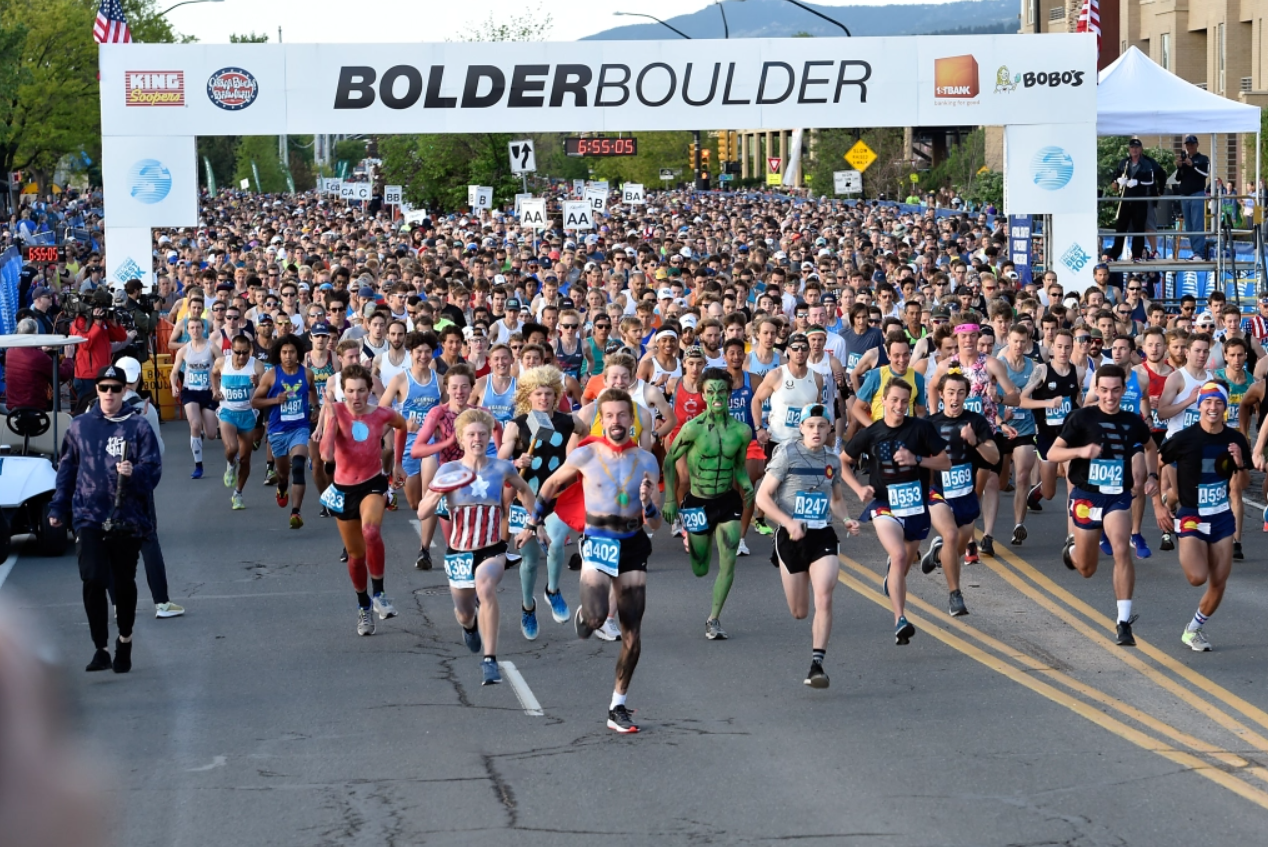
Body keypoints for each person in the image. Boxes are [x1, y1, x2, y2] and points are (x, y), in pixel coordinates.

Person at [522, 388, 662, 733]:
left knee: (632, 631)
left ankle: (618, 705)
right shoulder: (586, 455)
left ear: (632, 419)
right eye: (609, 416)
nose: (616, 422)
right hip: (598, 542)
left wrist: (648, 504)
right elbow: (552, 485)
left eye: (622, 415)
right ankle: (588, 615)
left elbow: (656, 522)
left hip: (632, 543)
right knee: (598, 617)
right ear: (602, 419)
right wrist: (532, 521)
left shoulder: (647, 460)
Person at [49, 364, 163, 674]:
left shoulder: (138, 427)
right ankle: (100, 647)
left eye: (115, 387)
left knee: (123, 584)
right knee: (93, 578)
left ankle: (124, 641)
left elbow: (153, 470)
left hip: (127, 517)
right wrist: (58, 507)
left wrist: (134, 472)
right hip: (88, 515)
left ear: (125, 390)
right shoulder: (79, 426)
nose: (109, 393)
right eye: (103, 387)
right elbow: (67, 469)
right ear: (96, 390)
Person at [420, 409, 535, 686]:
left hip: (492, 548)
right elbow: (423, 512)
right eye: (471, 434)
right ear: (461, 439)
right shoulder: (448, 471)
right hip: (459, 551)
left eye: (483, 434)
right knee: (464, 611)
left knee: (485, 587)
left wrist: (533, 523)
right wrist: (435, 497)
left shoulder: (502, 467)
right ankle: (469, 626)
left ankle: (490, 660)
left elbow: (524, 490)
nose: (477, 439)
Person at [1048, 365, 1157, 647]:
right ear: (1095, 388)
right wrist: (1081, 451)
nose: (1110, 396)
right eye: (1104, 390)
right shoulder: (1082, 417)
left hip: (1117, 496)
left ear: (1123, 390)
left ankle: (1123, 622)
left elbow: (1150, 447)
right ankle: (1073, 550)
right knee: (1086, 568)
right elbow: (1053, 452)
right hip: (1086, 497)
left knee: (1121, 548)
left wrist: (1152, 475)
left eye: (1116, 390)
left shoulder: (1132, 421)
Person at [755, 403, 860, 688]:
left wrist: (847, 519)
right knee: (800, 611)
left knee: (824, 595)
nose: (816, 430)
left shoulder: (832, 460)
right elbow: (762, 498)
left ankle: (817, 664)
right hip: (791, 537)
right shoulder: (787, 454)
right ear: (801, 428)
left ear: (829, 430)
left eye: (821, 426)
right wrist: (787, 522)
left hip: (822, 534)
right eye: (810, 425)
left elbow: (836, 500)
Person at [841, 379, 950, 645]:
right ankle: (900, 619)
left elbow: (946, 462)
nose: (900, 406)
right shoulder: (872, 433)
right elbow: (843, 462)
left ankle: (893, 576)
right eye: (895, 400)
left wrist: (918, 460)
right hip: (884, 505)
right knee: (899, 554)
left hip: (915, 506)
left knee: (903, 565)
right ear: (884, 401)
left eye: (905, 401)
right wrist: (857, 489)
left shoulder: (922, 429)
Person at [663, 368, 755, 640]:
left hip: (727, 501)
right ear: (703, 394)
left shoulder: (742, 431)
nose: (716, 396)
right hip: (696, 502)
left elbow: (738, 467)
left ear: (729, 394)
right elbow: (669, 461)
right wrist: (670, 499)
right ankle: (695, 543)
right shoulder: (693, 429)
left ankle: (713, 619)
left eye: (722, 391)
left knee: (728, 562)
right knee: (700, 568)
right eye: (710, 391)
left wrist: (746, 483)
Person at [319, 364, 410, 636]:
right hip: (344, 489)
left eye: (361, 391)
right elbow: (326, 455)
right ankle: (363, 605)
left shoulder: (381, 414)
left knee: (371, 531)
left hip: (373, 482)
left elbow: (402, 426)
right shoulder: (335, 411)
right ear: (342, 392)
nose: (355, 397)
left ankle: (380, 593)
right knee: (356, 556)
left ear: (370, 391)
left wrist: (398, 464)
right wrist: (332, 418)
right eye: (349, 391)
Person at [1164, 382, 1249, 652]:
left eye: (1218, 403)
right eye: (1208, 402)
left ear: (1225, 407)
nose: (1213, 407)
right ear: (1200, 405)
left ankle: (1193, 629)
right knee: (1197, 577)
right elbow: (1160, 460)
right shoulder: (1185, 438)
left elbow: (1243, 482)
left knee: (1219, 581)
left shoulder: (1235, 440)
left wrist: (1239, 464)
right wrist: (1162, 501)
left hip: (1221, 515)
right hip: (1191, 515)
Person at [499, 366, 575, 640]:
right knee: (529, 562)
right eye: (538, 394)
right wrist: (515, 461)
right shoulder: (518, 424)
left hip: (556, 498)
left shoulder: (568, 422)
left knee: (554, 544)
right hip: (526, 500)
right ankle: (527, 606)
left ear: (556, 396)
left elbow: (588, 431)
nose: (544, 398)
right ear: (528, 397)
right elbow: (501, 456)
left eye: (549, 393)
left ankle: (553, 590)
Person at [921, 370, 998, 617]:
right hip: (938, 493)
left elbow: (994, 457)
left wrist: (974, 441)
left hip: (965, 494)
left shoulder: (975, 421)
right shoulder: (930, 424)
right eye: (950, 393)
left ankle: (938, 553)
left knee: (954, 548)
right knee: (951, 534)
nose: (955, 398)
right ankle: (955, 595)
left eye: (961, 393)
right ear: (941, 394)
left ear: (967, 395)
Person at [114, 356, 183, 619]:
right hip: (138, 479)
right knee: (148, 538)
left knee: (113, 541)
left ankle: (119, 604)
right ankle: (162, 603)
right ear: (139, 378)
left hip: (108, 481)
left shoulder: (96, 406)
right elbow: (158, 448)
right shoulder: (145, 409)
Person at [251, 334, 319, 529]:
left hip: (300, 427)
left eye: (292, 352)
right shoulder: (271, 375)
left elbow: (312, 390)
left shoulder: (307, 374)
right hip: (278, 430)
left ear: (298, 353)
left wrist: (316, 408)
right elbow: (255, 401)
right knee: (283, 475)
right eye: (284, 352)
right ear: (279, 354)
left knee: (298, 466)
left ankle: (295, 512)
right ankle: (282, 489)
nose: (288, 356)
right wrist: (274, 400)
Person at [212, 334, 265, 510]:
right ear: (231, 350)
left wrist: (257, 384)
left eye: (245, 353)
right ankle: (229, 464)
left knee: (245, 458)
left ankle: (238, 494)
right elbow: (213, 374)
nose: (242, 356)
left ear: (250, 351)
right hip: (228, 412)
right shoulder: (222, 362)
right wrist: (215, 390)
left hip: (247, 414)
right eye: (238, 352)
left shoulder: (257, 365)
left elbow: (264, 392)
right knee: (232, 449)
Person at [169, 314, 220, 479]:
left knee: (212, 434)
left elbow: (223, 366)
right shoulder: (184, 350)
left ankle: (201, 435)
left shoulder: (211, 347)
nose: (195, 330)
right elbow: (174, 372)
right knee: (195, 424)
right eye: (192, 328)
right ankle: (198, 465)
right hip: (190, 391)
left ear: (203, 329)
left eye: (198, 327)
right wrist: (173, 386)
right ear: (188, 331)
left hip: (207, 391)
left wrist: (218, 387)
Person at [1108, 139, 1164, 261]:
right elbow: (1115, 175)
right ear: (1129, 149)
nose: (1134, 150)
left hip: (1140, 199)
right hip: (1125, 198)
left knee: (1139, 227)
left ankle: (1137, 254)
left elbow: (1151, 180)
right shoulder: (1124, 162)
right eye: (1132, 147)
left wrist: (1138, 182)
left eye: (1137, 147)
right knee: (1121, 227)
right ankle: (1114, 254)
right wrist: (1116, 181)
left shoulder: (1147, 163)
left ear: (1141, 149)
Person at [1176, 134, 1211, 260]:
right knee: (1189, 225)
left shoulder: (1203, 159)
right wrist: (1179, 167)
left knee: (1197, 224)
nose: (1190, 147)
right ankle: (1195, 251)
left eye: (1192, 144)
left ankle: (1199, 252)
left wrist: (1193, 165)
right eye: (1188, 145)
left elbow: (1205, 174)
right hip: (1185, 195)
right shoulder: (1185, 160)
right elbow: (1178, 178)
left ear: (1197, 145)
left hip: (1197, 194)